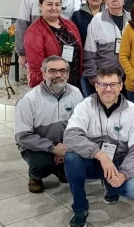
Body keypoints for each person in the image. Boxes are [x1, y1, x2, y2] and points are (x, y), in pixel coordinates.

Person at [64, 66, 134, 227]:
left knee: (133, 189)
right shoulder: (85, 106)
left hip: (117, 163)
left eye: (113, 84)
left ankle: (110, 186)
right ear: (96, 86)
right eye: (103, 84)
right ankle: (80, 208)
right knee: (71, 158)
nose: (108, 89)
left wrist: (123, 174)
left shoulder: (133, 111)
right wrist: (100, 154)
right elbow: (71, 136)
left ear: (121, 86)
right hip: (92, 160)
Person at [14, 56, 83, 193]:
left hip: (65, 143)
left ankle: (61, 168)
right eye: (52, 71)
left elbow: (80, 125)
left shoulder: (76, 93)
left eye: (62, 71)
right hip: (36, 146)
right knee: (42, 164)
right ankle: (35, 176)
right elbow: (23, 136)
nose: (58, 75)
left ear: (68, 74)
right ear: (44, 73)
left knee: (82, 154)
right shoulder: (28, 100)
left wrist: (66, 147)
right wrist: (53, 148)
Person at [16, 0, 75, 69]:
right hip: (37, 49)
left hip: (62, 52)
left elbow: (71, 27)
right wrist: (22, 53)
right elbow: (22, 23)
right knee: (38, 81)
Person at [24, 0, 83, 89]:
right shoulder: (34, 31)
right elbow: (37, 67)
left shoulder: (70, 25)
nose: (54, 8)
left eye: (58, 4)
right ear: (40, 6)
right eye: (49, 4)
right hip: (51, 84)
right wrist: (47, 89)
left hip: (73, 81)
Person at [83, 0, 130, 97]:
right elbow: (89, 52)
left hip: (128, 79)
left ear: (123, 0)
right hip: (104, 79)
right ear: (105, 0)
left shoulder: (132, 19)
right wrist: (94, 77)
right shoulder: (97, 20)